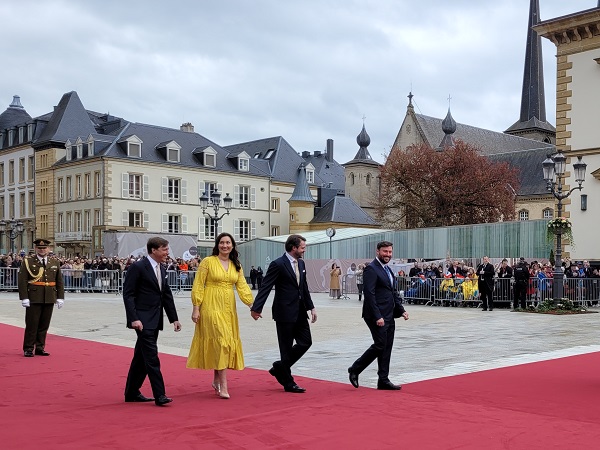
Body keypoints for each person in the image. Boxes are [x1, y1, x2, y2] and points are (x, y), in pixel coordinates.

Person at [187, 232, 254, 399]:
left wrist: (252, 305)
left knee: (222, 343)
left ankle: (216, 379)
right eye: (222, 243)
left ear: (232, 246)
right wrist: (196, 307)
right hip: (210, 306)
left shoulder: (235, 264)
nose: (225, 246)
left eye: (228, 243)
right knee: (222, 341)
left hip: (228, 308)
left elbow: (243, 286)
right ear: (217, 245)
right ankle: (224, 385)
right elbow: (198, 284)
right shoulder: (208, 262)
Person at [251, 234, 317, 393]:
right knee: (286, 348)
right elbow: (266, 286)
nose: (304, 250)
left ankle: (280, 367)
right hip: (284, 312)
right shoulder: (278, 264)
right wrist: (256, 308)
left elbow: (304, 287)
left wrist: (311, 307)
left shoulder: (301, 263)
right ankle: (288, 382)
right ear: (293, 248)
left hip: (300, 311)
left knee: (306, 342)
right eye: (302, 247)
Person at [123, 237, 181, 406]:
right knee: (152, 358)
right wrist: (133, 318)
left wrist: (174, 318)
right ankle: (160, 395)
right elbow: (128, 294)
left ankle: (131, 392)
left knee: (141, 358)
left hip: (155, 319)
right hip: (142, 320)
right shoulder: (138, 267)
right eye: (164, 249)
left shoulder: (161, 268)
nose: (167, 252)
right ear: (153, 250)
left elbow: (166, 295)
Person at [348, 241, 409, 390]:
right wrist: (377, 316)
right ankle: (355, 369)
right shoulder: (371, 269)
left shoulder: (387, 270)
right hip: (376, 315)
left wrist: (401, 310)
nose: (388, 254)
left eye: (389, 252)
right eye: (385, 252)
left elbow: (392, 292)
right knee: (380, 344)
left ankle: (383, 379)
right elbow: (369, 294)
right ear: (378, 252)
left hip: (389, 314)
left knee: (387, 346)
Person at [18, 239, 65, 357]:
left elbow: (59, 281)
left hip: (49, 296)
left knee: (44, 324)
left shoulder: (54, 262)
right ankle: (28, 348)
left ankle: (40, 347)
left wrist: (60, 297)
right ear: (36, 249)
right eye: (40, 248)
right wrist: (24, 297)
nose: (42, 250)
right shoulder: (28, 262)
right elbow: (22, 281)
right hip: (34, 296)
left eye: (44, 248)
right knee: (32, 324)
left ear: (49, 249)